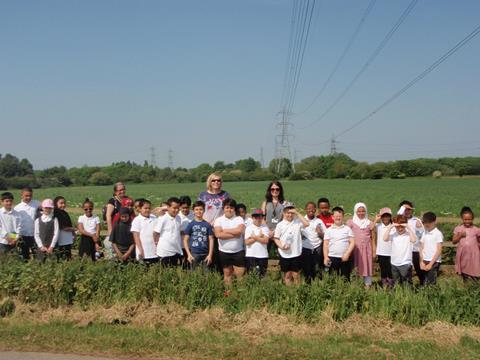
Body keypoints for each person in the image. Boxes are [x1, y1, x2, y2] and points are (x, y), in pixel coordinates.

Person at [198, 173, 230, 273]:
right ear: (210, 182)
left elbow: (229, 209)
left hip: (220, 228)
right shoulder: (203, 195)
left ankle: (221, 275)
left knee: (219, 252)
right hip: (206, 227)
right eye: (214, 180)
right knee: (207, 252)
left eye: (218, 180)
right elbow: (198, 210)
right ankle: (208, 275)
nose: (216, 182)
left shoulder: (225, 195)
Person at [273, 203, 309, 286]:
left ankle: (298, 292)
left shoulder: (297, 222)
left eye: (291, 213)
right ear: (283, 213)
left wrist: (297, 213)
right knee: (287, 275)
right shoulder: (280, 225)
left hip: (296, 253)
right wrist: (281, 246)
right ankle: (289, 292)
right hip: (284, 254)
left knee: (296, 274)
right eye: (287, 212)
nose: (289, 215)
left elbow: (307, 224)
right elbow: (276, 238)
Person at [214, 198, 246, 287]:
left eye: (231, 208)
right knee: (227, 274)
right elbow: (218, 234)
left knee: (240, 275)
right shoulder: (219, 220)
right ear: (223, 208)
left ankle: (241, 295)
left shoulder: (239, 219)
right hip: (224, 252)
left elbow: (239, 231)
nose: (229, 210)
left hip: (238, 251)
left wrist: (225, 230)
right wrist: (234, 234)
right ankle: (228, 293)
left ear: (234, 209)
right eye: (227, 207)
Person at [347, 202, 377, 288]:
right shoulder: (350, 222)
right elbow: (347, 236)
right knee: (355, 266)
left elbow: (373, 238)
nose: (361, 213)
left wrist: (374, 251)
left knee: (366, 265)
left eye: (363, 211)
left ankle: (367, 284)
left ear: (366, 211)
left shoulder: (369, 223)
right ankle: (355, 285)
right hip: (355, 249)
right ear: (355, 211)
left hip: (367, 249)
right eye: (359, 211)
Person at [383, 215, 417, 286]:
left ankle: (408, 295)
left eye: (402, 227)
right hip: (394, 263)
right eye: (398, 227)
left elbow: (413, 240)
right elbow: (385, 238)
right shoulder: (393, 235)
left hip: (405, 263)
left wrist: (408, 227)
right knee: (396, 283)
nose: (400, 229)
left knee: (407, 283)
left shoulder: (408, 235)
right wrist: (390, 227)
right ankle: (398, 295)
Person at [323, 207, 355, 281]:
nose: (338, 218)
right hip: (331, 257)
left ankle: (345, 291)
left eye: (340, 216)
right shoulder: (328, 230)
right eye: (336, 216)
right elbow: (325, 244)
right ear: (332, 217)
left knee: (345, 278)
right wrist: (325, 257)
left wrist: (347, 254)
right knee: (332, 278)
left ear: (343, 217)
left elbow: (352, 242)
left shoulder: (347, 229)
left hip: (344, 258)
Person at [398, 200, 424, 285]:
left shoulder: (416, 220)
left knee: (418, 269)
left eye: (409, 209)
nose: (407, 211)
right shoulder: (398, 220)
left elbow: (422, 234)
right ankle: (407, 287)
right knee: (405, 270)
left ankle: (423, 285)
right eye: (405, 209)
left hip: (414, 249)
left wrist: (419, 228)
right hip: (403, 250)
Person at [183, 201, 214, 271]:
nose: (199, 211)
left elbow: (211, 239)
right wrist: (189, 254)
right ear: (193, 211)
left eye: (201, 209)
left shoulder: (207, 225)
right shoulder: (191, 224)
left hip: (205, 254)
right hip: (194, 253)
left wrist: (210, 255)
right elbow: (185, 240)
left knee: (206, 273)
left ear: (204, 211)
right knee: (193, 273)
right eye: (196, 209)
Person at [301, 202, 327, 283]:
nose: (311, 210)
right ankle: (308, 285)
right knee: (307, 268)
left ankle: (319, 286)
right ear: (305, 209)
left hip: (317, 247)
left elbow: (326, 236)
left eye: (313, 208)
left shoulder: (319, 221)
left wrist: (320, 233)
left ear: (315, 209)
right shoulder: (301, 220)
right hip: (305, 248)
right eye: (309, 208)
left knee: (318, 268)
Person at [452, 206, 480, 281]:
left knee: (474, 267)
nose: (467, 221)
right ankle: (466, 282)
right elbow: (454, 241)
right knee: (464, 268)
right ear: (462, 218)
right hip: (463, 253)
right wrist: (460, 235)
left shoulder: (476, 230)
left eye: (469, 219)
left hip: (474, 254)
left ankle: (475, 283)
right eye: (465, 219)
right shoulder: (458, 229)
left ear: (472, 219)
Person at [153, 197, 183, 267]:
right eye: (174, 208)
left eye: (178, 208)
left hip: (175, 250)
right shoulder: (163, 219)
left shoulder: (178, 218)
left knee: (174, 270)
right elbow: (155, 233)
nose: (176, 210)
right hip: (164, 251)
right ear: (168, 207)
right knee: (165, 272)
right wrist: (156, 243)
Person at [14, 187, 41, 260]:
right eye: (26, 196)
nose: (28, 197)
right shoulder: (17, 208)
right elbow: (14, 224)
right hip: (23, 236)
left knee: (38, 255)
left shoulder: (37, 203)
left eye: (30, 195)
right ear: (21, 195)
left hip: (35, 235)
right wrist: (13, 237)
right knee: (24, 256)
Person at [131, 199, 159, 265]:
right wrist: (141, 250)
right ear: (140, 209)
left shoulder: (154, 218)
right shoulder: (137, 220)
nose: (147, 210)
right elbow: (136, 237)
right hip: (144, 251)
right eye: (145, 208)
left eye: (149, 208)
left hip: (154, 251)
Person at [419, 212, 443, 286]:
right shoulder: (424, 232)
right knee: (424, 280)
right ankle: (424, 295)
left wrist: (431, 264)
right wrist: (421, 261)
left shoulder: (438, 234)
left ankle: (431, 296)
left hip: (434, 261)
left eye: (429, 222)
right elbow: (421, 247)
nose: (427, 224)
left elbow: (439, 250)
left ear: (435, 221)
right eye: (425, 222)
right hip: (424, 260)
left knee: (431, 282)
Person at [244, 209, 270, 277]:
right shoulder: (249, 228)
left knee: (262, 275)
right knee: (251, 275)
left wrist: (254, 237)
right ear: (252, 218)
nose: (258, 219)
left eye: (260, 217)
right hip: (251, 255)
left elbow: (266, 240)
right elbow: (247, 242)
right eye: (256, 217)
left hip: (262, 255)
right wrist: (259, 236)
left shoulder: (265, 228)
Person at [373, 208, 394, 288]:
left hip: (391, 252)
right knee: (383, 269)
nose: (385, 218)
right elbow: (371, 228)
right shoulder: (378, 226)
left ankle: (391, 284)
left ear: (390, 217)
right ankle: (384, 284)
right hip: (381, 252)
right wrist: (375, 220)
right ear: (381, 217)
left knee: (390, 269)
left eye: (387, 216)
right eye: (383, 216)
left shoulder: (393, 226)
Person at [53, 196, 76, 261]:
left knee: (68, 256)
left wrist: (73, 234)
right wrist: (75, 229)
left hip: (67, 239)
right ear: (56, 203)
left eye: (64, 203)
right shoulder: (56, 213)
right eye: (61, 203)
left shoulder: (65, 213)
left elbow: (69, 224)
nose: (63, 205)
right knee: (60, 257)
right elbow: (62, 227)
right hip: (60, 239)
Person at [179, 196, 194, 268]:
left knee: (191, 264)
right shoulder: (177, 216)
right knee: (182, 264)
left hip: (192, 245)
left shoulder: (194, 214)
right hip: (180, 245)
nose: (185, 209)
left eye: (187, 207)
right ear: (180, 207)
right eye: (183, 208)